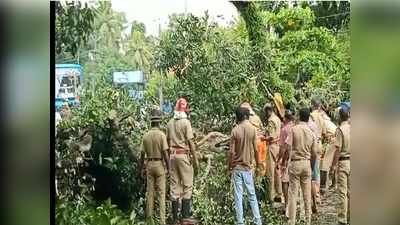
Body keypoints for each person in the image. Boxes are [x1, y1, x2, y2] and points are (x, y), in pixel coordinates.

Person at [166, 98, 198, 225]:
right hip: (183, 155)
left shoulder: (169, 123)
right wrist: (195, 161)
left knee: (175, 186)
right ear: (185, 110)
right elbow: (190, 142)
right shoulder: (186, 123)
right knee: (187, 184)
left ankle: (175, 218)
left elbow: (167, 142)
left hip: (172, 156)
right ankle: (185, 216)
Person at [228, 107, 262, 225]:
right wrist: (258, 164)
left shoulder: (235, 131)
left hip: (237, 168)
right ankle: (257, 220)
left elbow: (231, 152)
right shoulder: (253, 129)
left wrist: (229, 166)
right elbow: (256, 149)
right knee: (252, 195)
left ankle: (240, 221)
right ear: (247, 116)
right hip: (248, 167)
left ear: (238, 117)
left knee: (238, 196)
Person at [286, 108, 318, 225]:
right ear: (308, 117)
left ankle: (292, 221)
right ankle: (307, 221)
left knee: (293, 194)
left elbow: (288, 146)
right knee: (306, 194)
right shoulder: (311, 132)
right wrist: (311, 164)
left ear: (299, 116)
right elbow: (315, 152)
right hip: (306, 162)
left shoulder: (294, 129)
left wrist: (287, 161)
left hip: (295, 162)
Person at [140, 109, 170, 225]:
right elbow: (165, 154)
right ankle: (162, 222)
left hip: (149, 164)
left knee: (150, 194)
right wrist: (169, 168)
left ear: (151, 122)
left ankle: (149, 220)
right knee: (161, 195)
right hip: (159, 164)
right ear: (159, 122)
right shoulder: (162, 135)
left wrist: (141, 169)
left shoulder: (146, 136)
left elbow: (142, 155)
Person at [330, 105, 350, 225]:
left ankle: (342, 219)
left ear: (339, 117)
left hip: (343, 162)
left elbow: (337, 149)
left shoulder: (340, 130)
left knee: (342, 192)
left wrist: (333, 166)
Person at [240, 102, 267, 176]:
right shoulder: (257, 118)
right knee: (259, 162)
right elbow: (263, 130)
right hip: (259, 143)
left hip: (250, 144)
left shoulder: (245, 119)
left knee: (250, 164)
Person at [276, 109, 295, 216]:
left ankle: (287, 205)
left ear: (285, 118)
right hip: (297, 158)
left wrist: (280, 160)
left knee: (284, 182)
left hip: (287, 159)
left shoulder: (284, 130)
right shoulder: (296, 127)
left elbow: (283, 148)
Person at [309, 97, 326, 211]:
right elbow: (324, 133)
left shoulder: (310, 116)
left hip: (312, 145)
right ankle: (317, 196)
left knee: (312, 172)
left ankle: (313, 196)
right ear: (319, 106)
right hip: (319, 143)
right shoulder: (321, 117)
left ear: (312, 105)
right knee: (317, 172)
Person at [263, 103, 283, 203]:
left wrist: (262, 138)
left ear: (268, 111)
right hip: (278, 146)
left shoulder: (271, 120)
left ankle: (270, 197)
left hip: (271, 146)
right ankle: (279, 193)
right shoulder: (278, 119)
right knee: (277, 171)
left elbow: (270, 136)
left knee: (270, 172)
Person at [319, 109, 337, 194]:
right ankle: (334, 183)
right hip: (334, 139)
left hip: (332, 140)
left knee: (325, 164)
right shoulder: (328, 121)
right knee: (333, 163)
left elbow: (323, 134)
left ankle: (323, 186)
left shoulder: (323, 122)